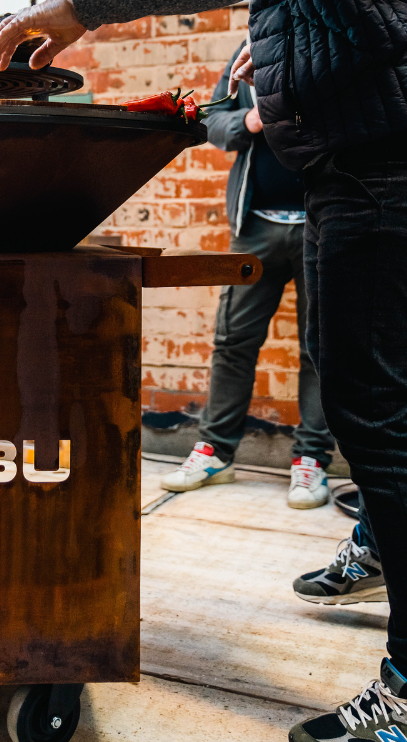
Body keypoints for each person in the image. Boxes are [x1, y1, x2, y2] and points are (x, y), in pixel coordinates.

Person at [0, 0, 407, 740]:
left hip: (378, 158)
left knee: (377, 415)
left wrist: (81, 2)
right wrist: (288, 43)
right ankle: (381, 540)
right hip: (354, 157)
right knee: (368, 401)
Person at [160, 43, 335, 510]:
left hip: (323, 225)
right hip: (255, 226)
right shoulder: (249, 47)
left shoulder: (330, 41)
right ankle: (215, 453)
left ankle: (311, 459)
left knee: (320, 348)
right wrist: (250, 120)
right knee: (233, 341)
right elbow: (213, 122)